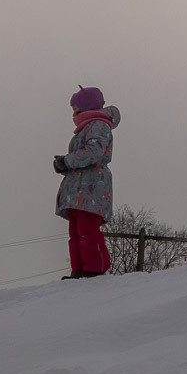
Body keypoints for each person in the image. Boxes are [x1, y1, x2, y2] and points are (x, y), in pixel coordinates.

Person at [55, 86, 119, 278]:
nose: (74, 113)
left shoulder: (98, 125)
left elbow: (94, 152)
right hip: (79, 192)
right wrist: (66, 162)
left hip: (91, 190)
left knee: (87, 230)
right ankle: (79, 269)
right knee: (75, 233)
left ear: (87, 106)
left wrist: (67, 161)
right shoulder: (87, 128)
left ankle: (94, 269)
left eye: (76, 108)